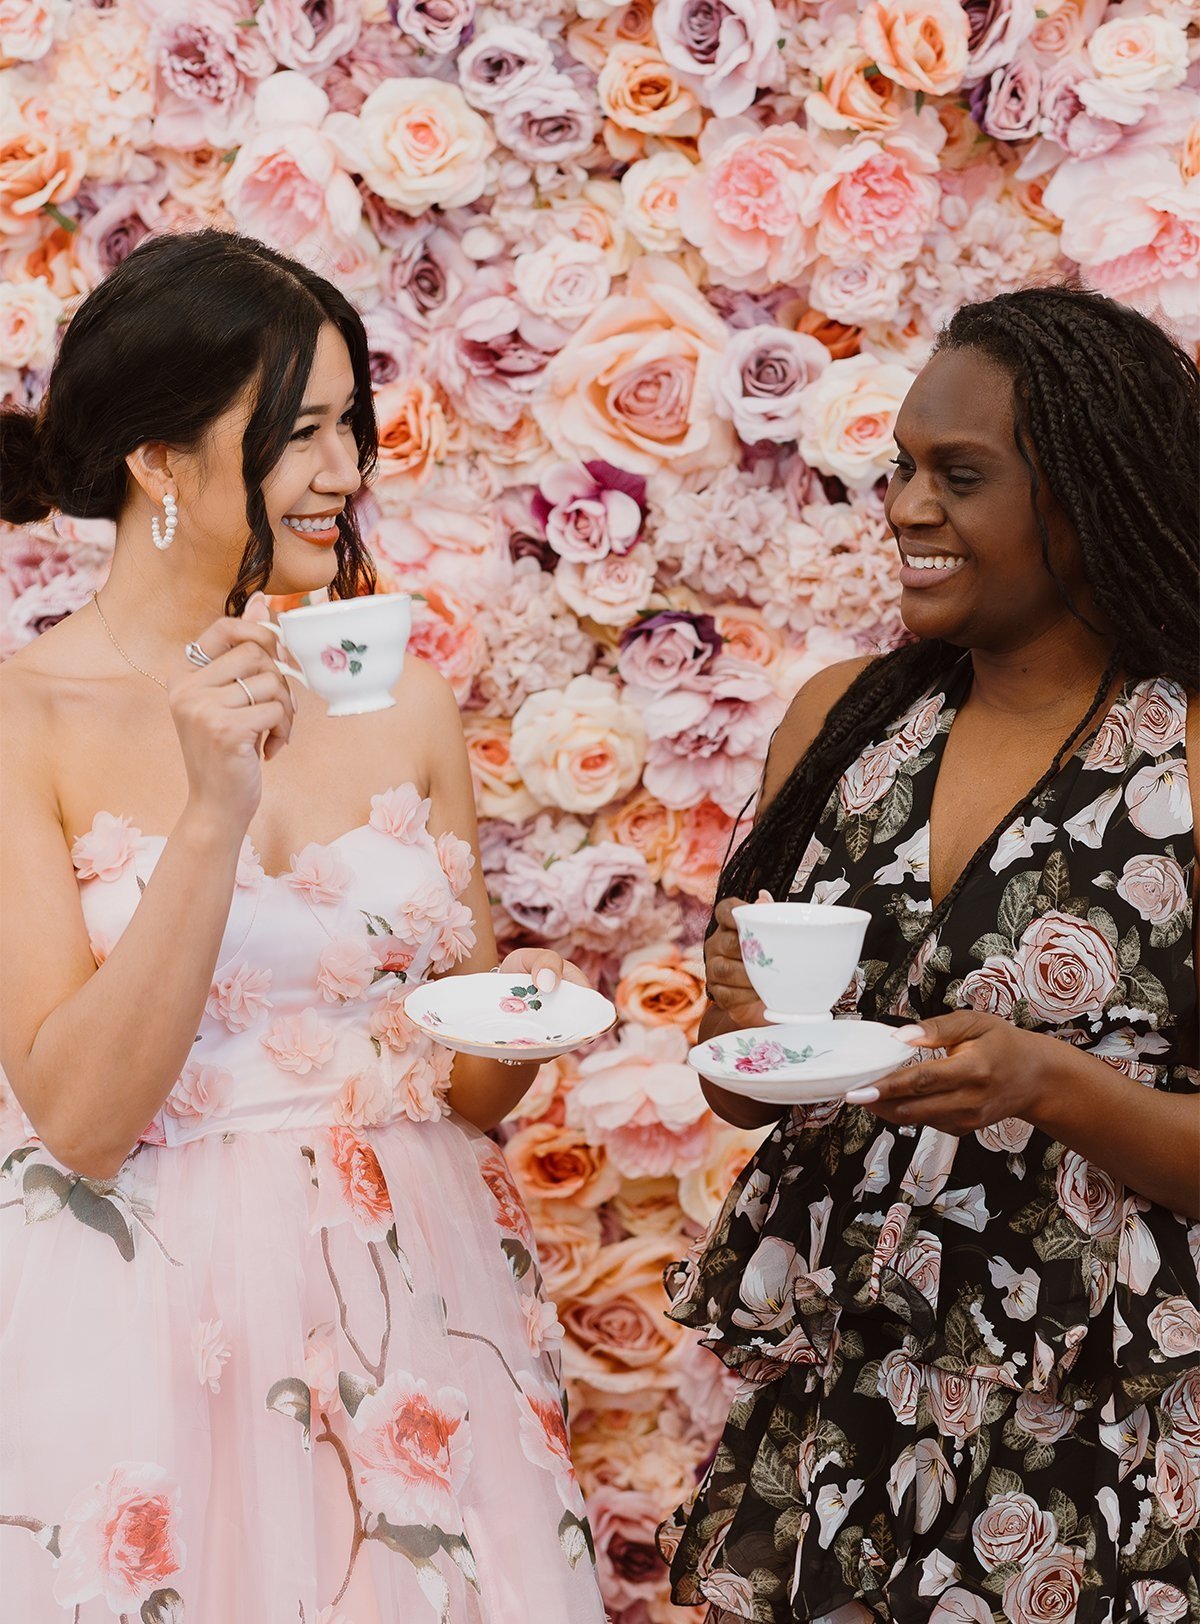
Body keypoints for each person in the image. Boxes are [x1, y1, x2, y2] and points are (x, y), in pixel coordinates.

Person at [0, 231, 607, 1624]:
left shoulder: (402, 702)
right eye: (298, 432)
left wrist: (527, 1021)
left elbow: (465, 1086)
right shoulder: (23, 722)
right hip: (139, 1316)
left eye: (352, 425)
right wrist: (213, 811)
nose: (344, 471)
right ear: (159, 459)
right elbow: (82, 1118)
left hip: (412, 1302)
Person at [659, 287, 1200, 1624]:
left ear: (1093, 491)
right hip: (859, 1398)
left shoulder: (1188, 755)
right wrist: (736, 1034)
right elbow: (749, 1091)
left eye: (960, 475)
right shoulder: (841, 723)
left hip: (1107, 1424)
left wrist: (1049, 1085)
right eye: (901, 466)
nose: (904, 505)